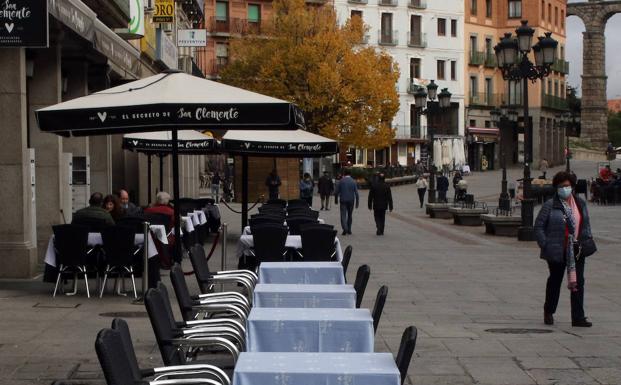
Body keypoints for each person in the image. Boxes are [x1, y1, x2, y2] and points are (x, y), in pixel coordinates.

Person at [535, 171, 596, 328]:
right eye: (561, 186)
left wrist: (587, 239)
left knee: (578, 282)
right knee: (555, 281)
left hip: (576, 249)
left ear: (573, 187)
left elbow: (585, 224)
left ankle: (578, 317)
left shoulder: (580, 204)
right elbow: (539, 226)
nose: (564, 189)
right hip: (556, 249)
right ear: (556, 188)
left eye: (567, 186)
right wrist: (545, 244)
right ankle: (549, 310)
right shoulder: (550, 205)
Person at [334, 168, 359, 235]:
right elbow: (356, 193)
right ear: (350, 174)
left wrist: (336, 199)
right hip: (351, 200)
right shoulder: (353, 181)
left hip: (343, 200)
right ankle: (349, 229)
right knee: (350, 215)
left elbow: (336, 191)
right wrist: (357, 203)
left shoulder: (341, 181)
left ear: (344, 174)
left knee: (343, 215)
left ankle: (345, 228)